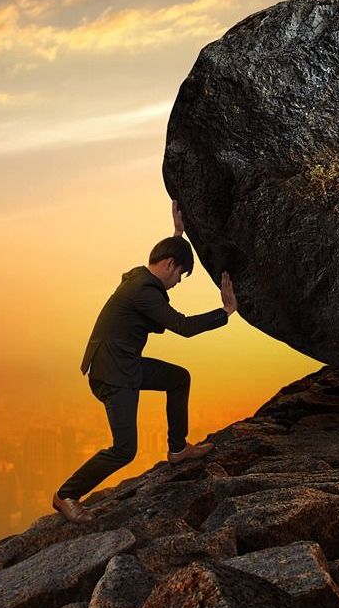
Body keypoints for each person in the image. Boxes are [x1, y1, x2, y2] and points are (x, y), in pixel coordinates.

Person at [52, 201, 237, 524]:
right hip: (114, 374)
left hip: (125, 365)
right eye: (180, 273)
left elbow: (166, 266)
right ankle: (66, 494)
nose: (178, 282)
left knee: (178, 377)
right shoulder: (143, 290)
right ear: (169, 264)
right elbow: (183, 326)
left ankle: (178, 449)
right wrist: (226, 311)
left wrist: (178, 234)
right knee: (124, 449)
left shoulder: (140, 278)